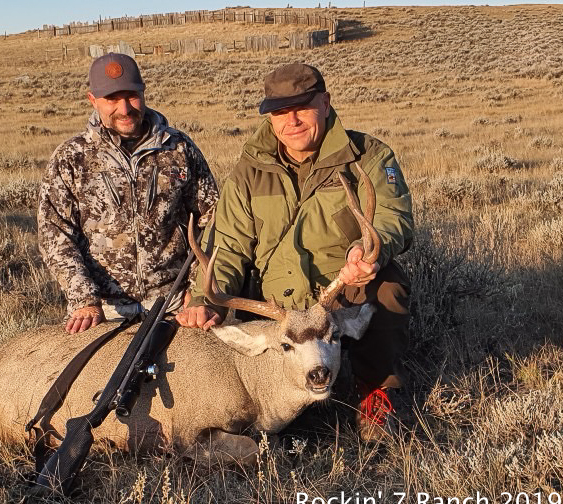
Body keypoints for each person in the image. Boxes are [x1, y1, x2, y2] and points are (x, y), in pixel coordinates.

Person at [176, 63, 413, 443]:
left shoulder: (367, 156)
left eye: (302, 107)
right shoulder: (249, 173)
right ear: (270, 117)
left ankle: (374, 393)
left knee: (386, 286)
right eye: (281, 112)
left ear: (325, 102)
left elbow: (393, 217)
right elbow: (231, 246)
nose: (293, 121)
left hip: (337, 296)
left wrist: (366, 251)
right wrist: (208, 301)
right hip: (277, 305)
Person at [38, 53, 219, 335]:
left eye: (132, 96)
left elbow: (212, 221)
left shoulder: (180, 149)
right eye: (112, 99)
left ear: (143, 92)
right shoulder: (71, 157)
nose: (124, 108)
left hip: (176, 309)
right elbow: (55, 235)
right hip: (105, 312)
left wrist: (196, 292)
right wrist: (84, 299)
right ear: (92, 99)